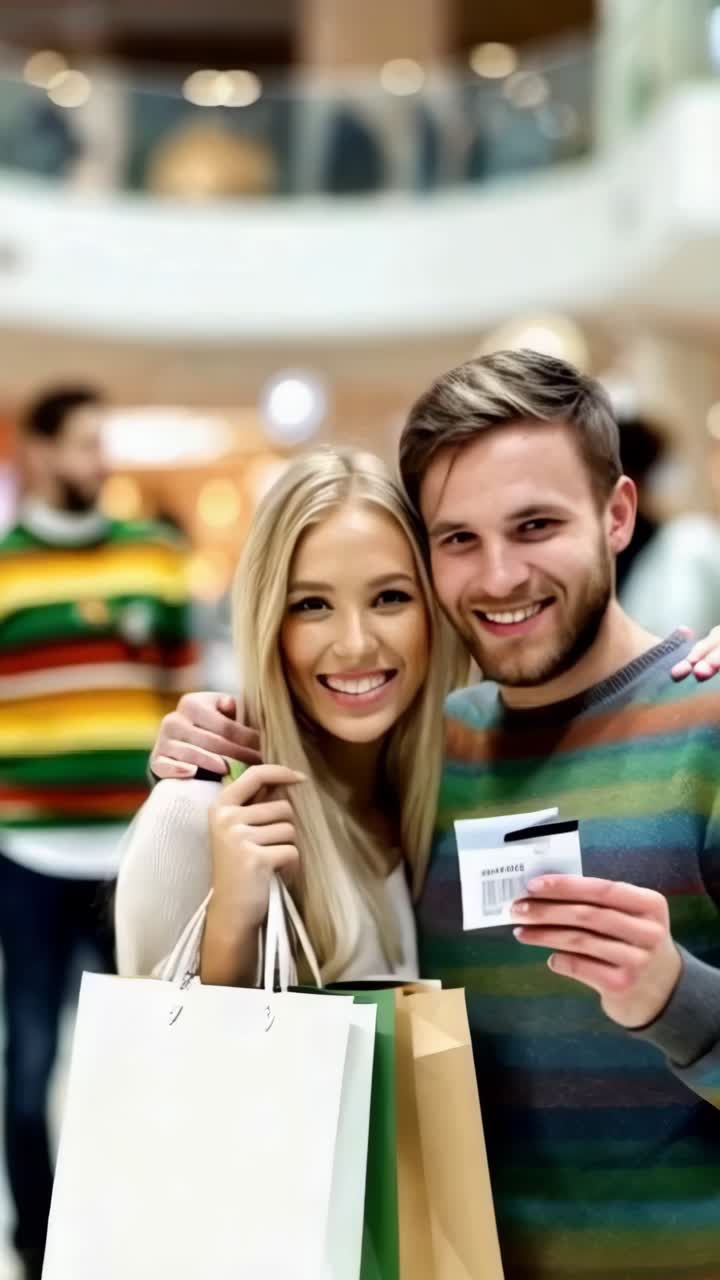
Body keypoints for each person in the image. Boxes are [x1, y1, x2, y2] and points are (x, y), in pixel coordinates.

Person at [150, 350, 720, 1280]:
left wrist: (675, 997)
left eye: (535, 526)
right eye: (458, 539)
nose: (499, 577)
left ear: (618, 515)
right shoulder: (431, 751)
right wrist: (194, 748)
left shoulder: (709, 723)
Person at [115, 448, 463, 985]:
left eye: (390, 597)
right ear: (268, 620)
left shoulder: (436, 792)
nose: (355, 644)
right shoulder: (194, 811)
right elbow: (147, 1052)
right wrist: (231, 922)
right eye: (311, 605)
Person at [0, 387, 203, 1280]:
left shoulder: (153, 557)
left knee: (147, 1041)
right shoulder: (3, 566)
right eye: (83, 443)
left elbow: (182, 695)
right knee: (33, 1048)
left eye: (103, 440)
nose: (101, 459)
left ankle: (135, 1222)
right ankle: (37, 1239)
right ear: (37, 453)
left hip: (135, 851)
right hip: (27, 850)